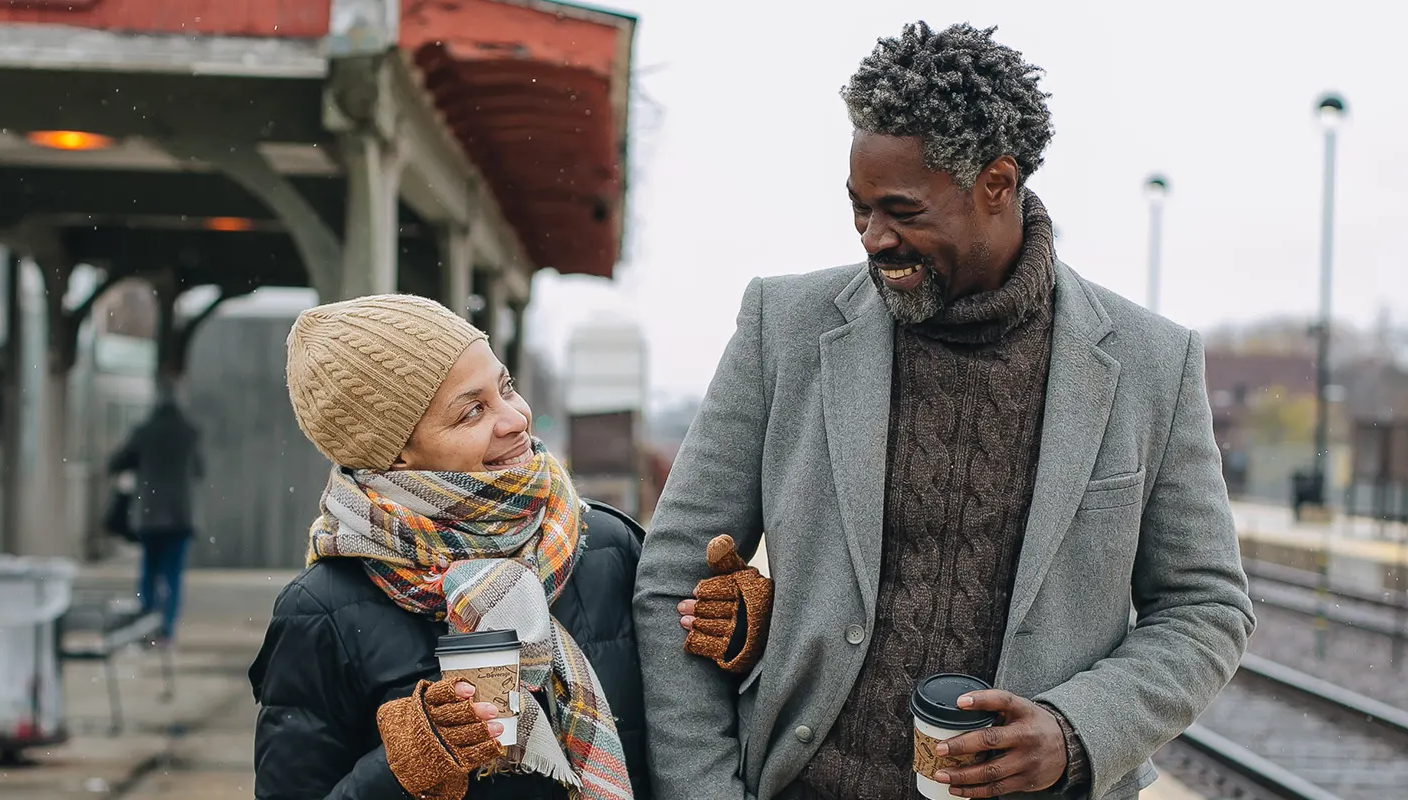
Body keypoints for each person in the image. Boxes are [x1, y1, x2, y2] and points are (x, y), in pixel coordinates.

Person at [635, 21, 1253, 800]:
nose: (872, 237)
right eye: (858, 208)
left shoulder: (1152, 365)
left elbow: (1207, 607)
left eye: (902, 210)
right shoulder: (782, 326)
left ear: (997, 183)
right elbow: (672, 579)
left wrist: (1075, 733)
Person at [251, 294, 650, 800]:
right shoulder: (323, 611)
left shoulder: (608, 546)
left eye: (506, 388)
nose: (515, 419)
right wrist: (404, 770)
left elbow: (701, 732)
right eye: (472, 412)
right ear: (395, 458)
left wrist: (744, 639)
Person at [106, 397, 203, 645]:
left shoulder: (144, 432)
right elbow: (199, 469)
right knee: (172, 574)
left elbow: (117, 463)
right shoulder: (189, 433)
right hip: (180, 515)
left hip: (150, 515)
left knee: (149, 571)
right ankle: (166, 630)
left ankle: (144, 625)